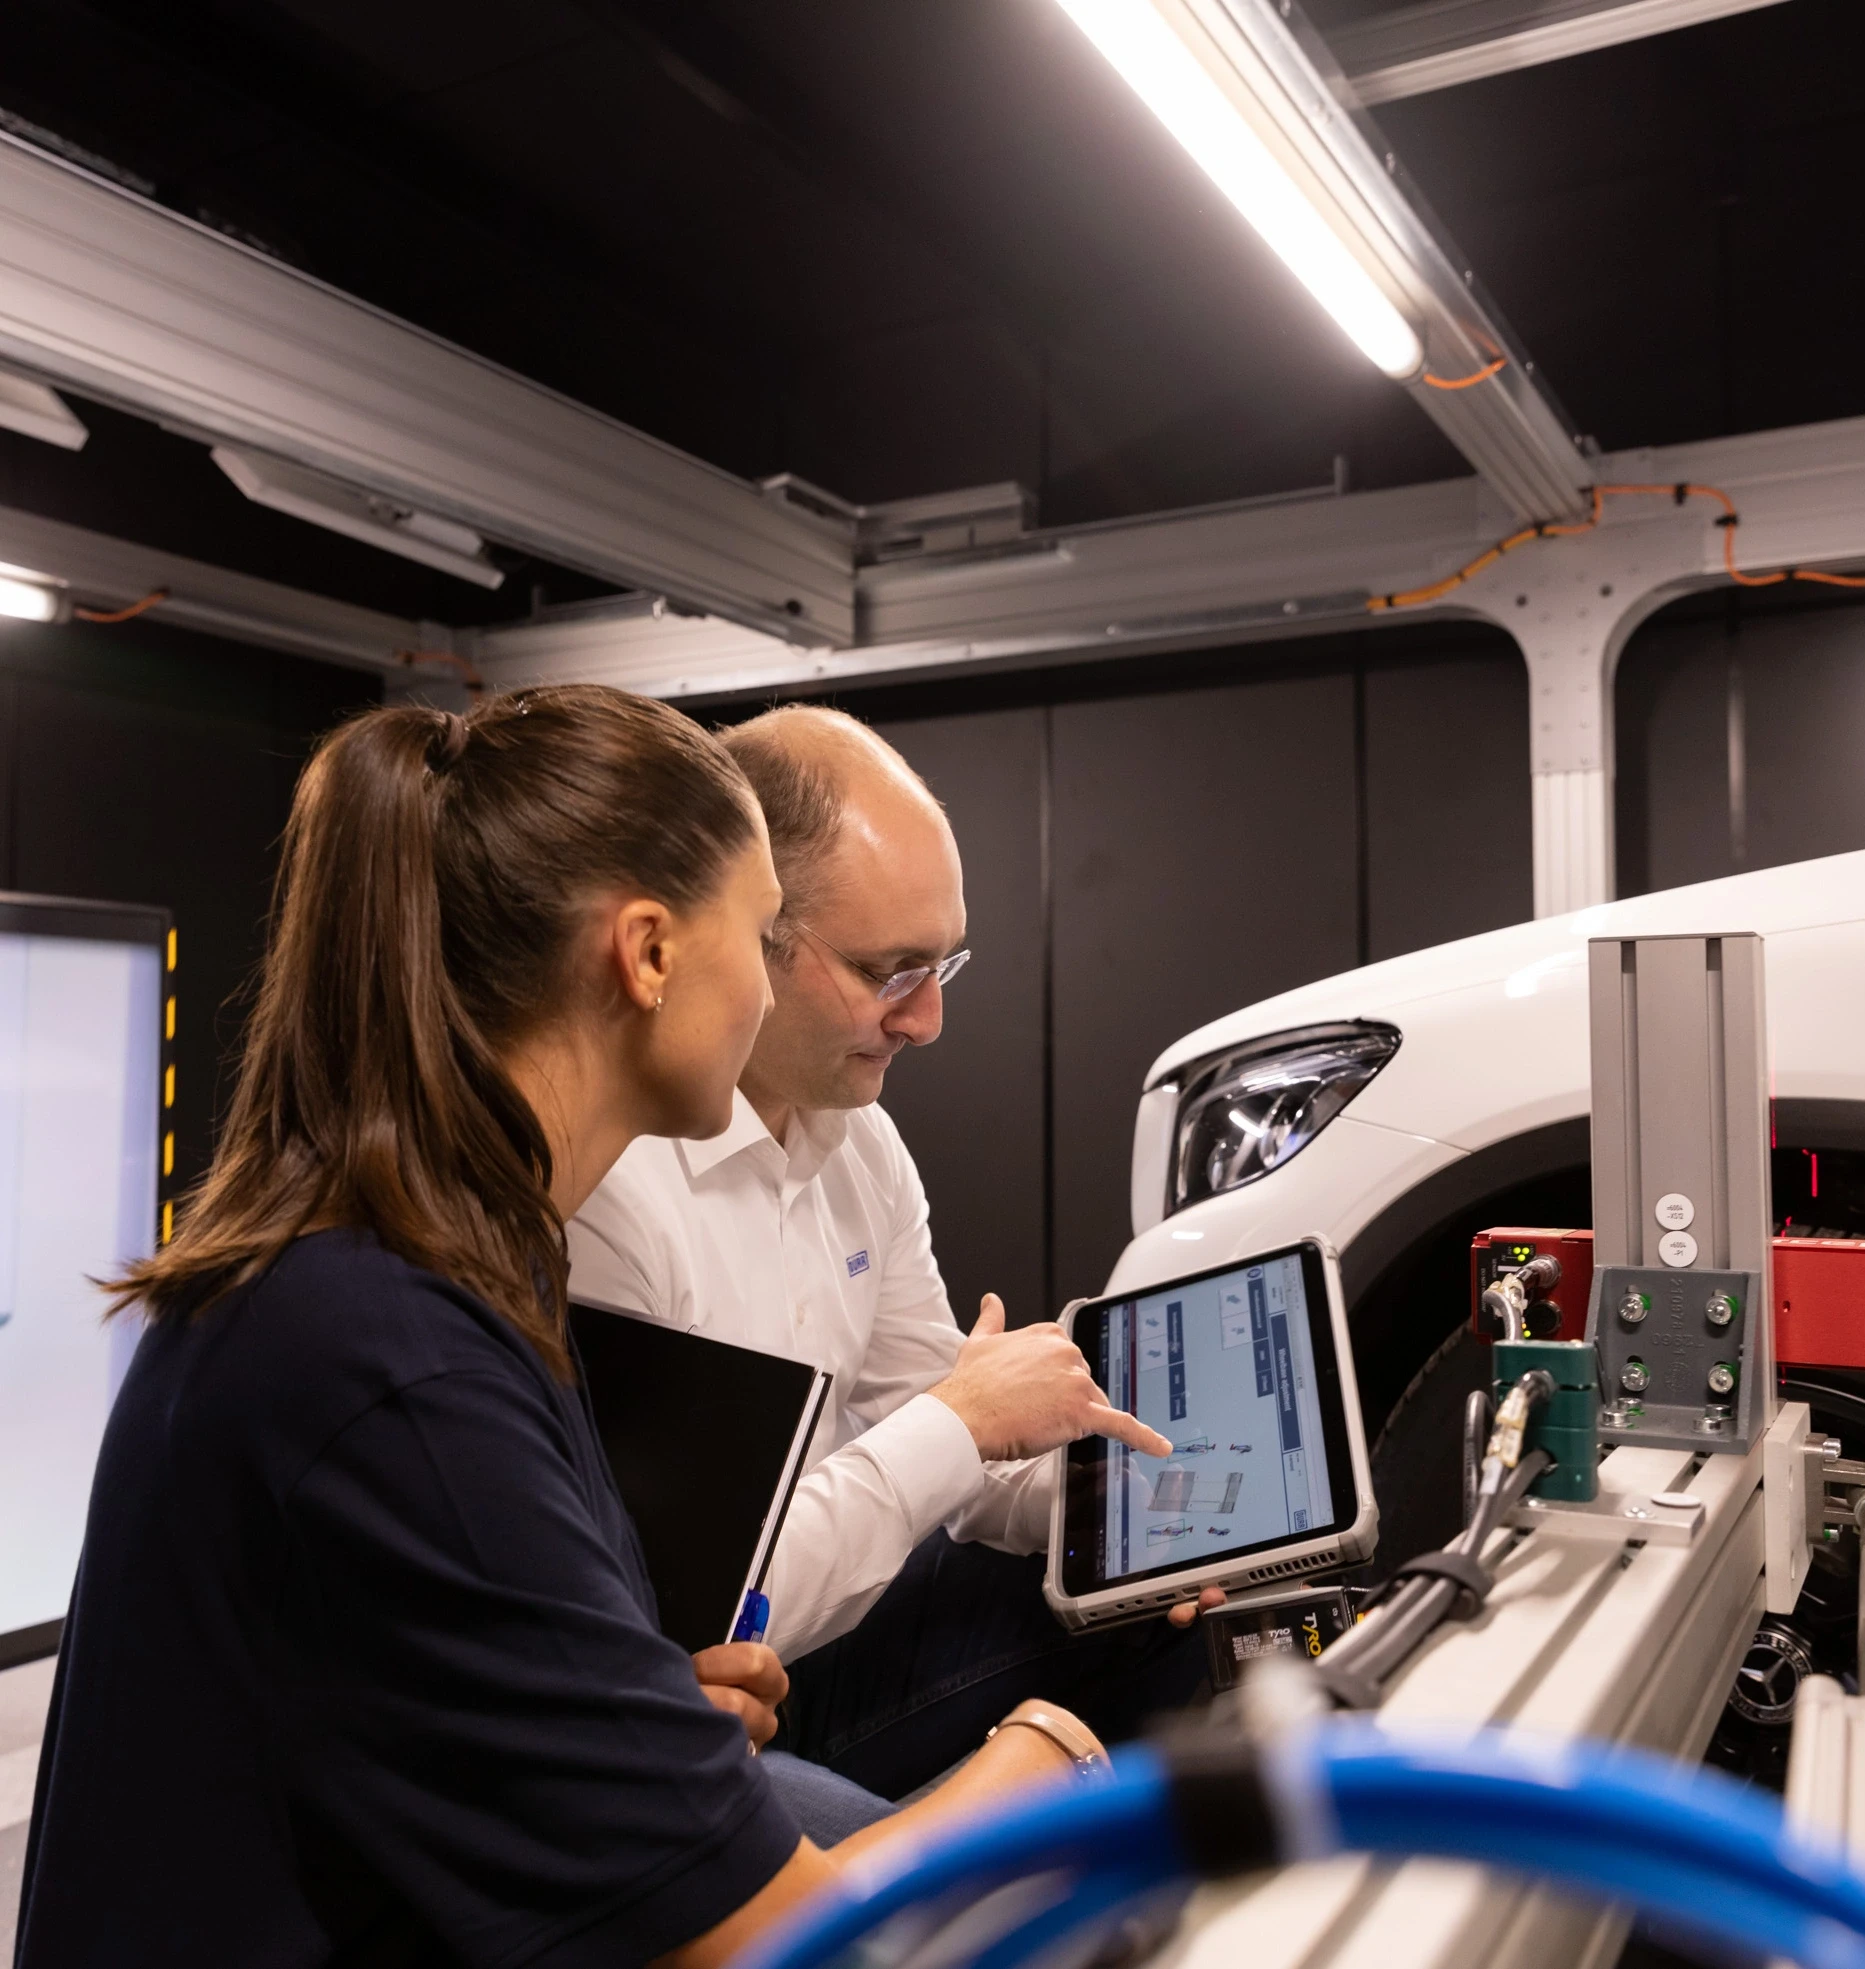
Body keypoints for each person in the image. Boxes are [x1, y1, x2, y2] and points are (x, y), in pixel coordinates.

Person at [16, 687, 1123, 1969]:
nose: (765, 998)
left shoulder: (415, 1280)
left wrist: (630, 1702)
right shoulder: (397, 1364)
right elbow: (792, 1948)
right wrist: (1050, 1755)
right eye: (758, 936)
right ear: (649, 953)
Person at [569, 706, 1216, 1801]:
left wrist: (1134, 1507)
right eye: (888, 971)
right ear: (740, 928)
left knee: (1147, 1611)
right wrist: (962, 1419)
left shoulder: (854, 1135)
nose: (927, 1020)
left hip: (822, 1647)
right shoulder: (611, 1187)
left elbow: (954, 1459)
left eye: (944, 965)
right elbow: (698, 1615)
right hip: (705, 1691)